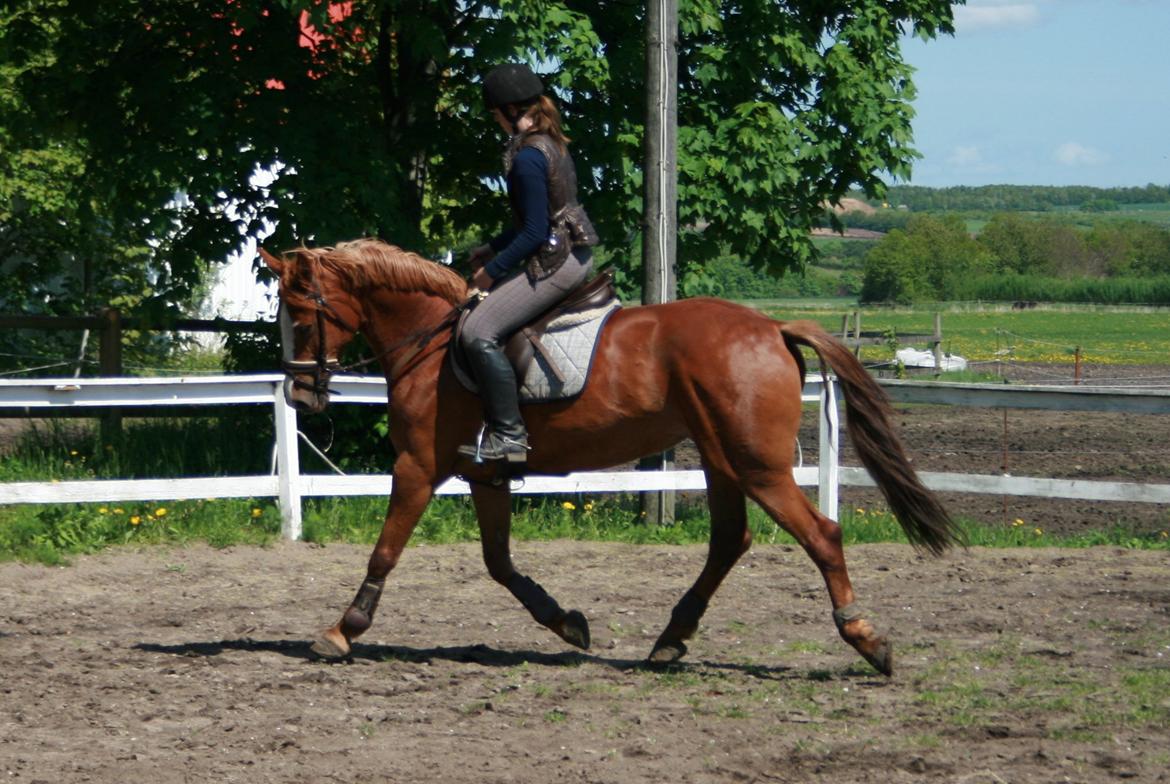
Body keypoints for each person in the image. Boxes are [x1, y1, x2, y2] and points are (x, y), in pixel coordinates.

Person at [457, 62, 599, 466]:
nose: (496, 123)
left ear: (507, 111)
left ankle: (509, 437)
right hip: (567, 248)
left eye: (494, 116)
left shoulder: (527, 158)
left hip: (557, 259)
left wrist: (493, 269)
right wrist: (492, 246)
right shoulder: (548, 143)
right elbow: (539, 218)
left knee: (477, 329)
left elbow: (536, 231)